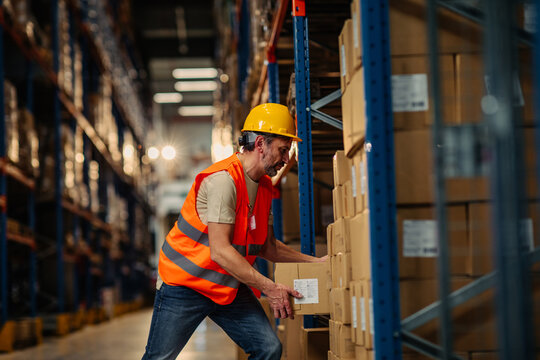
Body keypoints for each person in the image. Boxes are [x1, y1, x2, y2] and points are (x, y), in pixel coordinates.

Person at [142, 103, 327, 360]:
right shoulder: (222, 181)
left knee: (269, 348)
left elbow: (267, 247)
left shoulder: (263, 187)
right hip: (185, 284)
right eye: (283, 150)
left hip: (225, 285)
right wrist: (270, 287)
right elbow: (220, 251)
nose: (286, 159)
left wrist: (316, 262)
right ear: (260, 143)